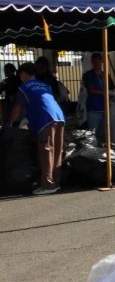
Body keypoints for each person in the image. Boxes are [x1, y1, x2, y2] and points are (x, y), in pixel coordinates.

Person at [7, 62, 65, 195]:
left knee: (46, 152)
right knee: (56, 151)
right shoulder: (45, 85)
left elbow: (17, 109)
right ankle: (56, 182)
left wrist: (8, 123)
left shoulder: (24, 87)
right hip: (59, 116)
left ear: (23, 74)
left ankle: (47, 185)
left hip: (45, 119)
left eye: (20, 74)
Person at [82, 52, 115, 144]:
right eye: (95, 61)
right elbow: (91, 90)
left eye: (99, 61)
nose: (97, 63)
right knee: (92, 133)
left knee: (104, 133)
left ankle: (103, 152)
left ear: (102, 62)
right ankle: (92, 152)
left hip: (105, 108)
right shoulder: (88, 75)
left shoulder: (106, 75)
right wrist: (105, 92)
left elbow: (113, 89)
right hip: (93, 108)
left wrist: (114, 93)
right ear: (92, 62)